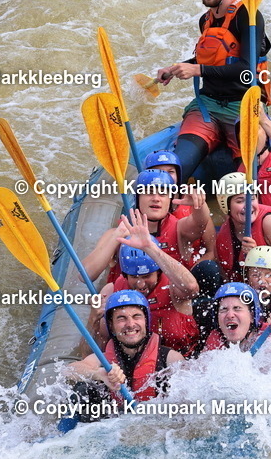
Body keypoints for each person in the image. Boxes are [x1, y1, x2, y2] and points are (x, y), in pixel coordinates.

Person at [156, 0, 271, 183]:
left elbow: (246, 69)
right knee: (176, 170)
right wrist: (176, 68)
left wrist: (197, 70)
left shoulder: (247, 16)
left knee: (247, 185)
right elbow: (213, 60)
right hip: (207, 106)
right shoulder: (205, 20)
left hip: (243, 106)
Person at [94, 209, 202, 358]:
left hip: (182, 362)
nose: (140, 284)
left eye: (146, 276)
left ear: (158, 272)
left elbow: (191, 288)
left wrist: (150, 248)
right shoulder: (112, 292)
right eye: (134, 277)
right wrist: (94, 320)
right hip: (135, 364)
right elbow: (98, 347)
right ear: (125, 275)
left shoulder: (173, 287)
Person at [68, 290, 185, 418]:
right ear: (111, 326)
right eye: (121, 318)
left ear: (146, 321)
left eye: (136, 316)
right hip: (111, 427)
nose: (130, 324)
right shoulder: (103, 358)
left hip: (156, 426)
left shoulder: (170, 358)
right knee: (82, 389)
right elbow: (69, 370)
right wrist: (98, 374)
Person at [82, 169, 212, 282]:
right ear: (137, 198)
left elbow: (201, 222)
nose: (156, 198)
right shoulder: (116, 233)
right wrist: (116, 237)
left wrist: (199, 203)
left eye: (162, 193)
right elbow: (85, 276)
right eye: (149, 192)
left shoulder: (180, 229)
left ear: (170, 200)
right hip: (130, 305)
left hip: (168, 302)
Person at [215, 172, 271, 281]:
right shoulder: (225, 232)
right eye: (240, 201)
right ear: (226, 206)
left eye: (252, 198)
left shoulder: (270, 222)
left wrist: (258, 256)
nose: (248, 205)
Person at [143, 149, 216, 265]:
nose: (165, 176)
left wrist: (188, 277)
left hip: (190, 269)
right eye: (158, 172)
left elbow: (212, 252)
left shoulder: (193, 204)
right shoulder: (141, 209)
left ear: (178, 175)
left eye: (170, 172)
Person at [203, 282, 271, 354]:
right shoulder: (216, 339)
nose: (230, 315)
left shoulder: (270, 336)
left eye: (237, 308)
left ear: (252, 316)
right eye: (223, 309)